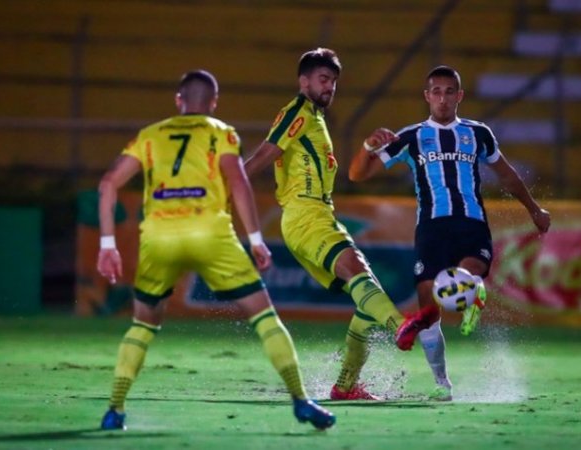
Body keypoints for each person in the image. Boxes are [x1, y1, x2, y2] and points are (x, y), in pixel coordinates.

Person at [96, 70, 335, 430]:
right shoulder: (221, 132)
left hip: (160, 237)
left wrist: (107, 244)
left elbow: (108, 183)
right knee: (264, 317)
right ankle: (301, 400)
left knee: (142, 325)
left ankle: (114, 409)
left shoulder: (150, 135)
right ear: (214, 102)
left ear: (178, 100)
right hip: (210, 233)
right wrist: (255, 239)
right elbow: (238, 181)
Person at [348, 65, 551, 400]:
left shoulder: (478, 133)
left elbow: (507, 175)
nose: (443, 98)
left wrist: (534, 209)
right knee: (429, 311)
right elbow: (357, 175)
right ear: (427, 96)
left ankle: (473, 290)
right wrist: (367, 146)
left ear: (460, 96)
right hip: (431, 228)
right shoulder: (410, 137)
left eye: (449, 91)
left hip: (471, 224)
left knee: (463, 275)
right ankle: (442, 383)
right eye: (436, 92)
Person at [244, 48, 436, 401]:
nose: (329, 86)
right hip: (305, 215)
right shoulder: (298, 112)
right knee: (356, 271)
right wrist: (229, 184)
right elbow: (265, 154)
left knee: (366, 293)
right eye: (323, 79)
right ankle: (400, 325)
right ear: (303, 81)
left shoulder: (316, 119)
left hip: (318, 214)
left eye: (333, 81)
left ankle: (346, 385)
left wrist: (367, 145)